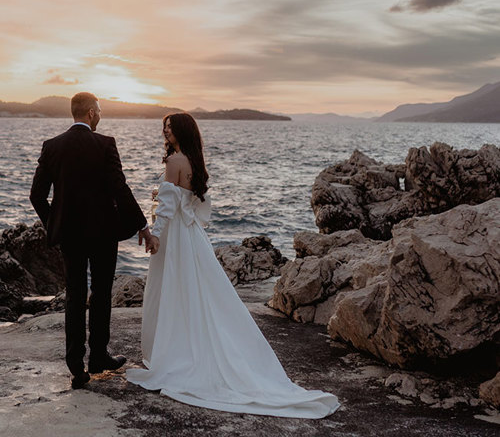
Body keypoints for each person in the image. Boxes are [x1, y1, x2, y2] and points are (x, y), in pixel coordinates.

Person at [126, 113, 340, 418]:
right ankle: (188, 347)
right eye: (164, 127)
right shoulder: (195, 161)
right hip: (193, 236)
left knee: (174, 292)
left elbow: (169, 208)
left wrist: (155, 237)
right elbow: (193, 204)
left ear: (181, 131)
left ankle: (177, 354)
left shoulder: (174, 161)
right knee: (197, 294)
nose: (165, 131)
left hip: (175, 237)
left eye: (170, 127)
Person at [30, 92, 159, 389]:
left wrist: (54, 225)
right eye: (99, 111)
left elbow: (36, 196)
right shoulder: (105, 145)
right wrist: (142, 226)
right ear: (90, 113)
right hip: (103, 234)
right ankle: (99, 356)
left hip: (70, 237)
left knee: (75, 296)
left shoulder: (52, 146)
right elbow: (120, 189)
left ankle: (77, 367)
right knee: (101, 294)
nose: (100, 116)